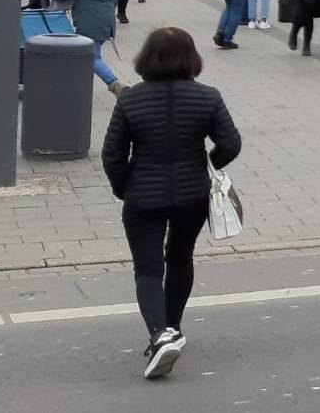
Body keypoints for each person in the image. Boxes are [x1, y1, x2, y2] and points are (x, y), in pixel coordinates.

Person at [101, 28, 242, 379]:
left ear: (147, 58)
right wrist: (208, 163)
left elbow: (112, 154)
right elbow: (231, 143)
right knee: (180, 257)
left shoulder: (130, 100)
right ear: (191, 58)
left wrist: (124, 187)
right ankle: (173, 328)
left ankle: (159, 334)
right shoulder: (207, 97)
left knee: (148, 268)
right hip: (192, 195)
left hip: (143, 197)